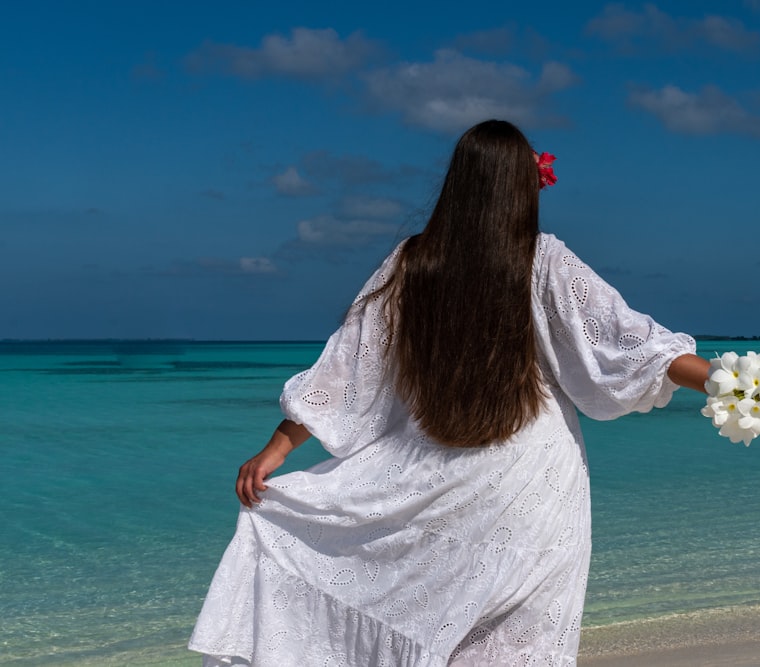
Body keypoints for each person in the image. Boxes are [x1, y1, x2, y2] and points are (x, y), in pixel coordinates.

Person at [189, 119, 710, 666]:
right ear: (522, 186)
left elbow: (348, 369)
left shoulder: (415, 262)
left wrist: (278, 446)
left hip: (440, 482)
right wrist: (735, 384)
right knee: (520, 647)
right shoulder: (544, 260)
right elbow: (635, 345)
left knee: (430, 625)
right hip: (533, 487)